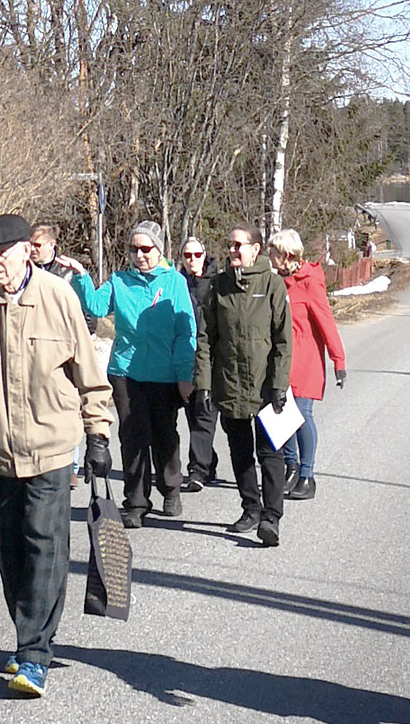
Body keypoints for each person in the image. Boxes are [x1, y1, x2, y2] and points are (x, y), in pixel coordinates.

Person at [0, 214, 113, 698]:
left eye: (2, 254)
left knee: (45, 545)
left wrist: (97, 434)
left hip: (52, 448)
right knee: (11, 553)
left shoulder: (59, 298)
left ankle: (35, 650)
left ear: (26, 250)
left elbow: (89, 374)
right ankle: (29, 634)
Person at [72, 220, 196, 526]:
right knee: (132, 436)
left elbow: (185, 332)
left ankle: (170, 488)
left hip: (165, 374)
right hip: (126, 372)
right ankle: (137, 502)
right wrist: (82, 278)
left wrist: (184, 374)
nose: (140, 255)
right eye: (134, 249)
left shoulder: (174, 282)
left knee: (164, 435)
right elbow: (97, 308)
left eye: (146, 249)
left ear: (158, 249)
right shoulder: (120, 280)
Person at [193, 225, 292, 546]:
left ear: (256, 249)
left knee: (270, 452)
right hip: (230, 382)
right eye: (229, 245)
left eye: (239, 245)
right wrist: (204, 383)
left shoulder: (272, 284)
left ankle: (271, 517)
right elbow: (207, 339)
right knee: (240, 451)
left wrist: (278, 384)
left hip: (266, 384)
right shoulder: (219, 286)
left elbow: (283, 340)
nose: (232, 250)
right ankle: (251, 507)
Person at [268, 229, 346, 501]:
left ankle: (307, 475)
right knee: (283, 416)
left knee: (300, 416)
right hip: (283, 362)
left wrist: (339, 361)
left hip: (307, 361)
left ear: (287, 255)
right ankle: (291, 467)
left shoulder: (310, 282)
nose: (270, 257)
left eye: (274, 253)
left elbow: (326, 322)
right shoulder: (278, 282)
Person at [177, 236, 220, 492]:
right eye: (187, 255)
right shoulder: (177, 283)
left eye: (196, 254)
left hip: (211, 357)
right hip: (185, 357)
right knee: (193, 415)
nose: (192, 260)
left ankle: (198, 470)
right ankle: (208, 460)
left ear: (205, 256)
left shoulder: (217, 283)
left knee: (206, 413)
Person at [30, 223, 96, 333]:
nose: (32, 249)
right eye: (29, 244)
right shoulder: (24, 270)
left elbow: (87, 310)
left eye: (37, 245)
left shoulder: (69, 271)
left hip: (62, 334)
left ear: (52, 244)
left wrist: (82, 335)